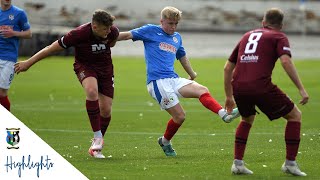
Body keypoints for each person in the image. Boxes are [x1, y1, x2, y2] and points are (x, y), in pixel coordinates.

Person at [117, 6, 240, 157]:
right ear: (161, 21)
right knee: (180, 117)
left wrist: (191, 73)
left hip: (173, 78)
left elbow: (182, 56)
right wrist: (104, 36)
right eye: (170, 23)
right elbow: (127, 35)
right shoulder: (150, 30)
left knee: (202, 90)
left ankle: (224, 115)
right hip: (157, 82)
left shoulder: (177, 37)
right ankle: (165, 142)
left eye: (176, 24)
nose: (173, 27)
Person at [14, 9, 119, 159]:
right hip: (85, 67)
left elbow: (112, 43)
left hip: (106, 70)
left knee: (106, 110)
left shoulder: (112, 31)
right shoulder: (78, 34)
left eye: (109, 28)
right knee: (91, 91)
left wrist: (110, 35)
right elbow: (50, 49)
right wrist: (28, 63)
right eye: (105, 29)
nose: (108, 31)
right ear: (94, 27)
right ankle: (97, 137)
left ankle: (96, 148)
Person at [224, 8, 309, 176]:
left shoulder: (247, 36)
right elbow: (285, 61)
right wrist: (301, 88)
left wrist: (228, 96)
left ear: (263, 22)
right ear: (281, 25)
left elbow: (227, 68)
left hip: (239, 86)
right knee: (295, 116)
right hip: (260, 86)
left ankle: (238, 163)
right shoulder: (279, 36)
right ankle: (290, 163)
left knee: (247, 119)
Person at [0, 0, 32, 111]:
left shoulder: (19, 13)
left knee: (2, 92)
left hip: (9, 58)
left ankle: (6, 122)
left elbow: (28, 33)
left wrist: (13, 33)